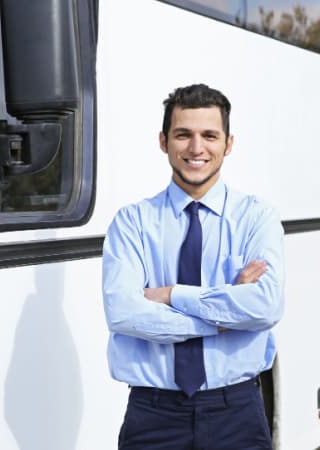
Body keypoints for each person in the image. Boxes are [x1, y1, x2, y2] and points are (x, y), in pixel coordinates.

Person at [101, 83, 285, 449]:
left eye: (209, 135)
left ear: (228, 144)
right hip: (153, 414)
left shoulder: (256, 219)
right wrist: (227, 314)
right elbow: (123, 313)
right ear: (163, 141)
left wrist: (172, 295)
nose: (196, 148)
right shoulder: (132, 222)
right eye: (183, 134)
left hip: (237, 412)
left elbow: (265, 307)